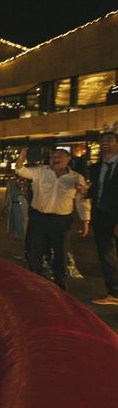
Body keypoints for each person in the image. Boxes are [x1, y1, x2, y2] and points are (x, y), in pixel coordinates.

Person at [15, 147, 90, 290]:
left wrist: (85, 221)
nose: (55, 158)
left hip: (61, 221)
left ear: (68, 159)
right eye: (53, 156)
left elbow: (82, 200)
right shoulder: (41, 171)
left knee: (60, 252)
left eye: (59, 156)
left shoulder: (76, 177)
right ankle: (34, 280)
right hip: (39, 218)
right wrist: (20, 159)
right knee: (34, 250)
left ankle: (60, 283)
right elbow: (21, 171)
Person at [89, 130, 118, 305]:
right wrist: (85, 192)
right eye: (102, 140)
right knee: (106, 256)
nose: (105, 142)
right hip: (100, 216)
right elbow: (97, 190)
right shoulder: (96, 167)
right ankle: (113, 292)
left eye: (110, 139)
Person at [0, 176, 29, 241]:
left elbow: (27, 194)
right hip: (13, 203)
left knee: (22, 220)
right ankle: (17, 234)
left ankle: (22, 235)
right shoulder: (11, 182)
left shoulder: (26, 182)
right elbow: (8, 194)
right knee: (14, 219)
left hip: (22, 204)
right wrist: (5, 206)